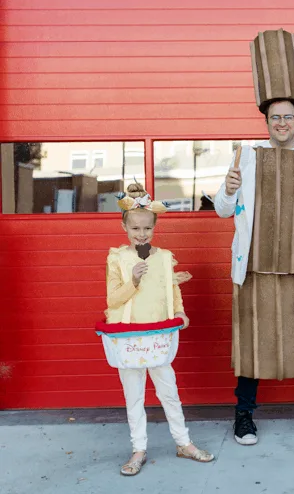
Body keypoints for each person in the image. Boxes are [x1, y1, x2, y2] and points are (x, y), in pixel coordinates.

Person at [214, 98, 294, 445]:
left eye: (288, 117)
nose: (282, 122)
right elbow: (222, 210)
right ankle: (243, 415)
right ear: (267, 121)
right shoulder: (247, 157)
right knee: (251, 342)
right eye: (276, 117)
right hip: (255, 267)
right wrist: (227, 191)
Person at [106, 183, 213, 476]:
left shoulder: (164, 257)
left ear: (154, 227)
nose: (141, 234)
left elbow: (170, 289)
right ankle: (138, 448)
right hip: (128, 335)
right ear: (124, 226)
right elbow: (112, 298)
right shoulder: (117, 257)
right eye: (135, 228)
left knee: (169, 391)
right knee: (134, 396)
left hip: (157, 334)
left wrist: (179, 310)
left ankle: (183, 442)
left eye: (147, 229)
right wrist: (134, 280)